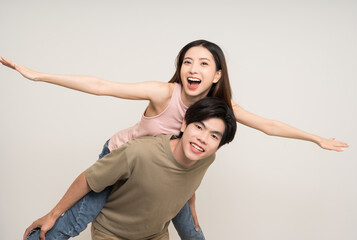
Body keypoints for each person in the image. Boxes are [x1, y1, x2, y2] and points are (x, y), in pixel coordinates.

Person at [0, 40, 348, 240]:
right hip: (123, 160)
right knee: (74, 220)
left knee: (192, 231)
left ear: (217, 74)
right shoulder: (166, 93)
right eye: (187, 62)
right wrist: (38, 75)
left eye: (203, 63)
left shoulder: (220, 111)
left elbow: (268, 125)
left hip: (167, 173)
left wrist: (316, 138)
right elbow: (102, 85)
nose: (192, 69)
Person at [24, 97, 237, 240]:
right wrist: (52, 215)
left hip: (154, 235)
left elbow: (184, 182)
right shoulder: (139, 153)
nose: (202, 139)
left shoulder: (206, 158)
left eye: (214, 136)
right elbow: (88, 179)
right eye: (199, 127)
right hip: (113, 234)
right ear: (184, 125)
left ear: (220, 144)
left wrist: (191, 201)